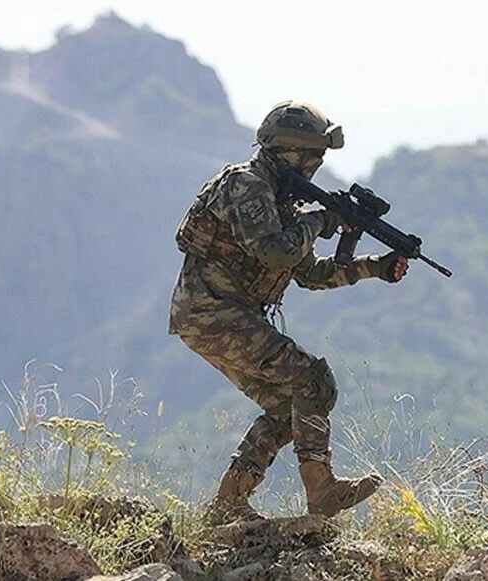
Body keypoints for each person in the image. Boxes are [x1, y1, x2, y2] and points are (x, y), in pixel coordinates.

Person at [168, 100, 409, 525]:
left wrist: (377, 267)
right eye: (313, 155)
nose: (317, 164)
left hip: (219, 316)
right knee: (313, 380)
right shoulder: (248, 185)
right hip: (212, 313)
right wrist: (321, 221)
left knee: (289, 408)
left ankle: (228, 504)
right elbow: (275, 252)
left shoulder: (281, 203)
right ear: (288, 152)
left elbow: (311, 274)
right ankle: (323, 491)